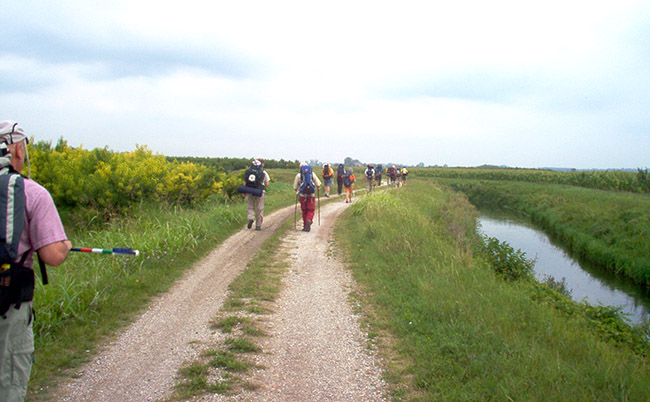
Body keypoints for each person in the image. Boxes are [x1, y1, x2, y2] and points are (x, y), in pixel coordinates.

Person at [0, 121, 71, 402]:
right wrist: (64, 245)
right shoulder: (33, 193)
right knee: (9, 381)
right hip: (9, 303)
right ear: (17, 149)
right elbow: (52, 256)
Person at [242, 159, 270, 231]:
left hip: (250, 191)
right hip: (260, 192)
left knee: (250, 207)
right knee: (260, 208)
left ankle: (251, 218)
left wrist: (244, 192)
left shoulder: (248, 171)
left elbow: (245, 182)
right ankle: (258, 225)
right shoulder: (263, 172)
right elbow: (267, 184)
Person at [293, 163, 321, 232]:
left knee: (304, 210)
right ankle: (309, 220)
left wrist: (299, 190)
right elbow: (318, 185)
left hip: (302, 196)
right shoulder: (312, 174)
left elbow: (295, 187)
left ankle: (305, 225)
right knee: (311, 210)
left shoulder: (298, 175)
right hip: (311, 195)